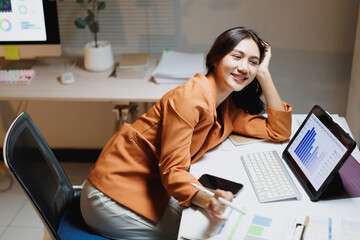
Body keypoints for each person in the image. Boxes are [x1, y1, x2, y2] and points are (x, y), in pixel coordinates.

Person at [80, 26, 292, 239]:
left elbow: (278, 130)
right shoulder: (189, 99)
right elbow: (173, 171)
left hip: (153, 187)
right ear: (216, 59)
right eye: (237, 57)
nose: (244, 68)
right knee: (203, 234)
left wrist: (264, 75)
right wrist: (210, 200)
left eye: (253, 62)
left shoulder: (228, 107)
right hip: (111, 195)